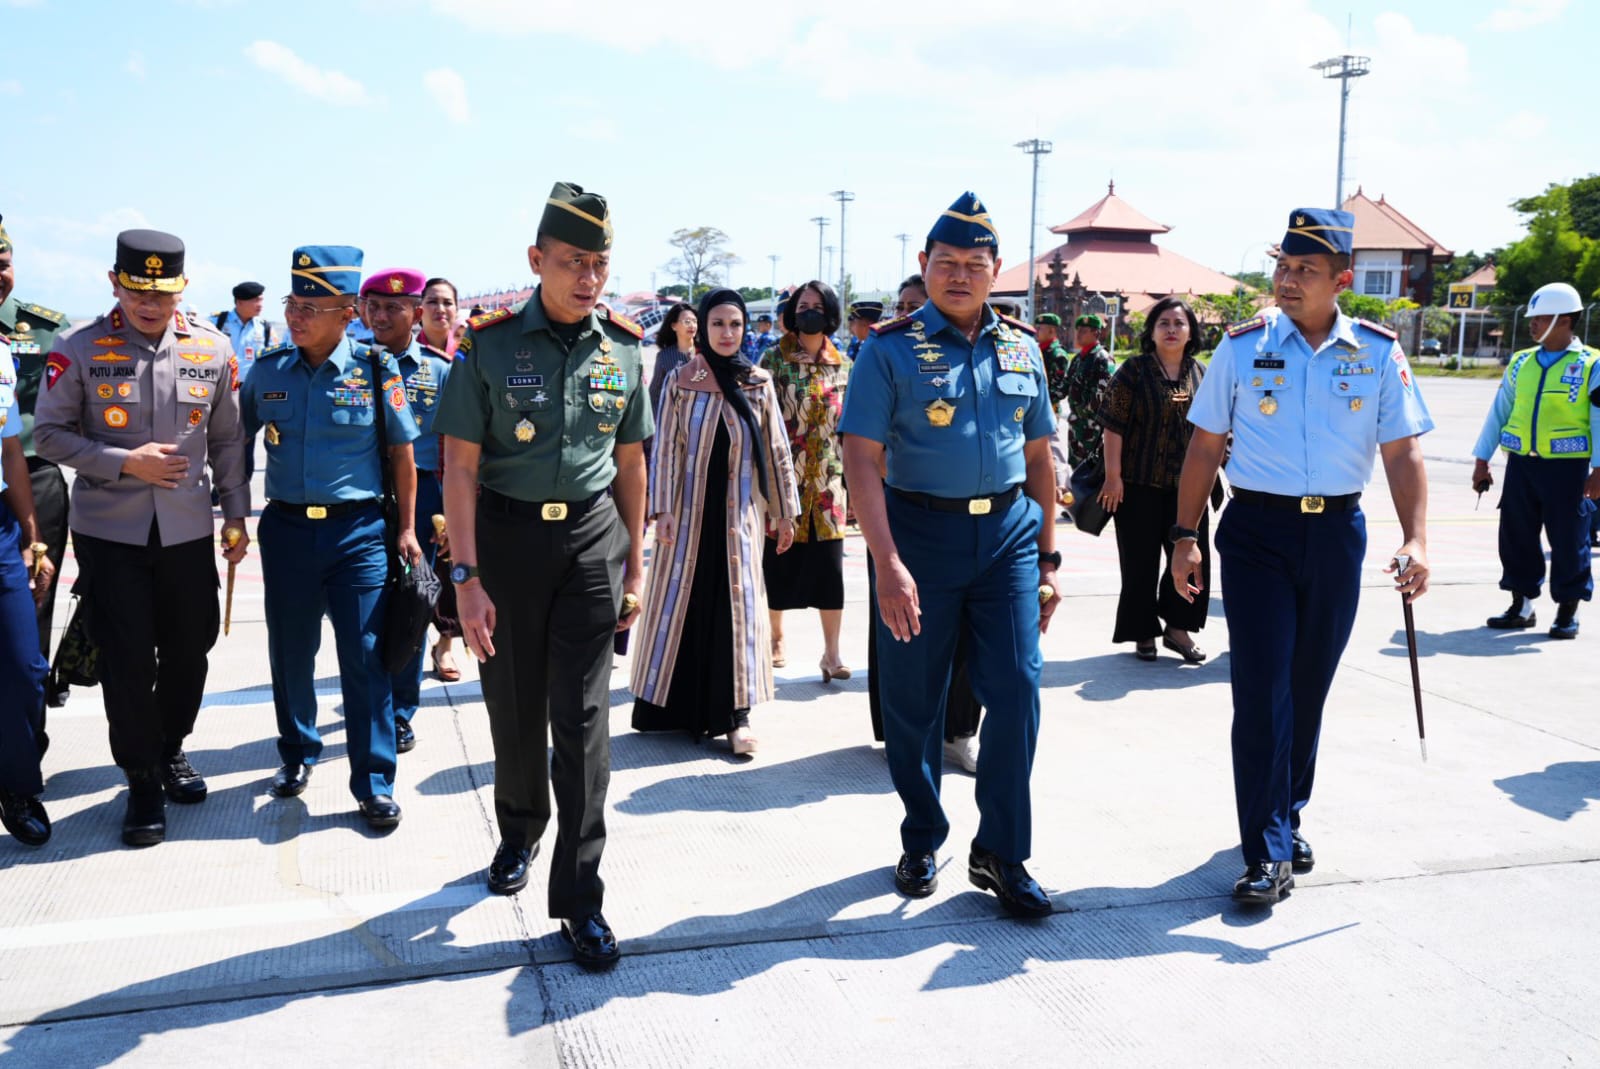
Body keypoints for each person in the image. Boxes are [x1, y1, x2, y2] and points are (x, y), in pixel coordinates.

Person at [1169, 208, 1434, 905]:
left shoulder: (1377, 352)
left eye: (1305, 271)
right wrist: (1184, 534)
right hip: (1256, 533)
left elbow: (1403, 451)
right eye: (1282, 267)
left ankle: (1286, 811)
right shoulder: (1242, 345)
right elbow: (1202, 446)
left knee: (1307, 686)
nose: (1286, 281)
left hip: (1337, 535)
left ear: (1341, 279)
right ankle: (1266, 851)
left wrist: (1416, 537)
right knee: (1262, 688)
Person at [433, 181, 651, 971]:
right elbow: (458, 467)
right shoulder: (488, 346)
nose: (588, 278)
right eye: (572, 262)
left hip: (592, 541)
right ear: (537, 260)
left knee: (585, 721)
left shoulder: (624, 347)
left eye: (599, 264)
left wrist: (635, 561)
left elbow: (631, 464)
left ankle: (581, 896)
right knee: (515, 707)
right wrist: (465, 576)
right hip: (507, 539)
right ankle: (520, 828)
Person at [840, 192, 1060, 919]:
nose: (960, 276)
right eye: (946, 263)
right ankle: (922, 834)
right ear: (923, 266)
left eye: (974, 264)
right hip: (917, 539)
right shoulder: (888, 348)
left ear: (997, 270)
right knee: (913, 699)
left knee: (1020, 689)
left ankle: (1002, 849)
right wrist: (887, 562)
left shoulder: (1024, 347)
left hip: (1006, 541)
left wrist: (1049, 559)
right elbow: (862, 460)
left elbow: (1038, 457)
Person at [33, 229, 251, 846]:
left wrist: (235, 513)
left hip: (186, 530)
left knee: (191, 647)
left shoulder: (211, 349)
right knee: (126, 660)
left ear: (182, 288)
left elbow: (229, 439)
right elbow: (49, 436)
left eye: (161, 291)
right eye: (136, 289)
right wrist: (125, 462)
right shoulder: (78, 348)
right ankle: (142, 779)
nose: (149, 303)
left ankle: (171, 746)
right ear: (114, 283)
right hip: (110, 532)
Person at [240, 245, 422, 831]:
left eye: (311, 307)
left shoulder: (375, 368)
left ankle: (374, 780)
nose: (296, 316)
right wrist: (232, 514)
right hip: (288, 528)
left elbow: (402, 455)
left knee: (366, 656)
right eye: (293, 303)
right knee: (291, 652)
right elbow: (232, 445)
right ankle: (297, 753)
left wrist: (410, 531)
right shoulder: (268, 370)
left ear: (348, 313)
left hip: (358, 532)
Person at [631, 288, 800, 754]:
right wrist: (661, 510)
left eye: (736, 324)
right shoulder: (681, 381)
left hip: (739, 517)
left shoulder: (758, 382)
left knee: (736, 612)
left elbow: (777, 451)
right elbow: (665, 446)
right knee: (682, 607)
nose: (727, 333)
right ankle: (676, 708)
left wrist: (785, 513)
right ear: (702, 329)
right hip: (687, 519)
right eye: (718, 324)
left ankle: (736, 718)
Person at [864, 274, 985, 774]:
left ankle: (958, 731)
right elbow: (863, 445)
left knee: (966, 637)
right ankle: (905, 730)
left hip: (961, 518)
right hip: (900, 511)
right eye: (904, 305)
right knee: (904, 633)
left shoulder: (966, 353)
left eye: (917, 305)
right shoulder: (885, 354)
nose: (910, 315)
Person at [1470, 281, 1600, 639]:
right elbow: (1499, 412)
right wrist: (1482, 458)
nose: (1532, 324)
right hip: (1522, 466)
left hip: (1568, 469)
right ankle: (1521, 606)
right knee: (1517, 537)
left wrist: (1599, 469)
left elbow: (1599, 418)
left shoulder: (1591, 364)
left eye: (1540, 318)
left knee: (1569, 539)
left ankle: (1566, 611)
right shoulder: (1521, 362)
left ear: (1564, 320)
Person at [361, 268, 453, 749]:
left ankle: (400, 710)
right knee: (364, 613)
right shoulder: (354, 363)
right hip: (362, 499)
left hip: (425, 502)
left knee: (412, 606)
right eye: (372, 306)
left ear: (416, 314)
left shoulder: (440, 371)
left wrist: (453, 516)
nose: (380, 315)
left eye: (393, 307)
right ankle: (371, 704)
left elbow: (458, 449)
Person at [1097, 297, 1212, 663]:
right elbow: (1112, 427)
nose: (1172, 329)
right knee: (1139, 563)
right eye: (1164, 323)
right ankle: (1143, 631)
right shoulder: (1133, 370)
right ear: (1152, 331)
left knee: (1193, 560)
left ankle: (1178, 630)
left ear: (1191, 331)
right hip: (1137, 485)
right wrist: (1113, 478)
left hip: (1188, 491)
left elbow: (1214, 431)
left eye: (1179, 323)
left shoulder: (1202, 374)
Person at [0, 214, 73, 712]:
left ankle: (29, 741)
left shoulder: (46, 330)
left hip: (34, 477)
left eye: (2, 263)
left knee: (32, 607)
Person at [762, 280, 851, 678]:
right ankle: (775, 636)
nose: (809, 311)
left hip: (830, 484)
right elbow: (760, 422)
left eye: (817, 306)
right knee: (779, 565)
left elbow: (851, 428)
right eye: (802, 306)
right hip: (784, 483)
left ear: (830, 313)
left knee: (830, 572)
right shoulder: (773, 360)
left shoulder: (844, 364)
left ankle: (831, 654)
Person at [0, 331, 53, 847]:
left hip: (0, 531)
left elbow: (11, 449)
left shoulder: (0, 354)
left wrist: (33, 537)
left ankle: (17, 789)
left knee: (24, 668)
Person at [418, 278, 466, 680]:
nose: (440, 309)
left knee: (455, 565)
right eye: (431, 301)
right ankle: (414, 634)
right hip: (417, 480)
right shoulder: (402, 355)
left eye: (448, 302)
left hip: (462, 477)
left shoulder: (470, 354)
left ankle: (445, 643)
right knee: (418, 568)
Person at [213, 281, 275, 486]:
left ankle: (238, 487)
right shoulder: (217, 322)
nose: (260, 304)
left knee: (246, 441)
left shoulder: (264, 328)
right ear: (240, 302)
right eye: (256, 300)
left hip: (249, 393)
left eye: (261, 299)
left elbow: (274, 360)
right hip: (220, 391)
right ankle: (221, 484)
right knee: (216, 440)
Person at [1062, 313, 1115, 470]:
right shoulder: (1078, 359)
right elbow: (1066, 385)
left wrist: (1085, 412)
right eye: (1078, 330)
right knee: (1075, 466)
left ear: (1096, 333)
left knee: (1092, 469)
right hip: (1075, 422)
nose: (1078, 334)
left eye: (1084, 331)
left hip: (1092, 426)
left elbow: (1103, 392)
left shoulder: (1102, 358)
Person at [1035, 313, 1073, 507]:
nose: (1036, 331)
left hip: (1049, 407)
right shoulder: (1036, 350)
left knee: (1054, 446)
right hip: (1034, 408)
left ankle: (1061, 487)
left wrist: (1045, 401)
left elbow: (1060, 387)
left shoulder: (1057, 354)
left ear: (1052, 330)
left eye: (1041, 328)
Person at [647, 303, 696, 418]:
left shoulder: (705, 353)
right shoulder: (664, 357)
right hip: (674, 422)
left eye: (695, 321)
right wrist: (659, 422)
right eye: (687, 321)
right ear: (674, 326)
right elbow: (654, 395)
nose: (692, 325)